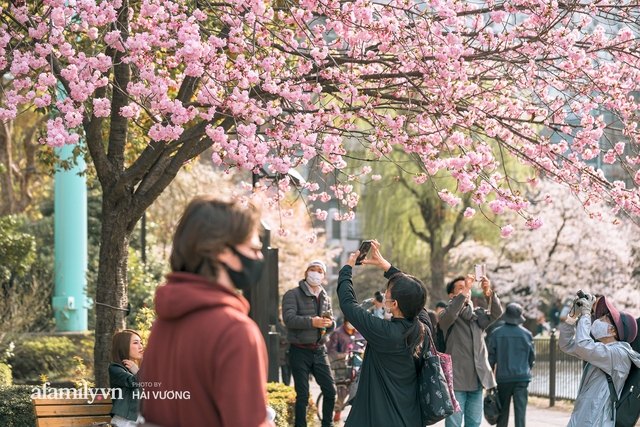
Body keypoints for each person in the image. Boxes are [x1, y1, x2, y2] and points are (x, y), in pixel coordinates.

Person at [139, 196, 273, 427]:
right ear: (221, 250)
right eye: (253, 248)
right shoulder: (235, 331)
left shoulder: (163, 324)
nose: (259, 257)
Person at [337, 239, 431, 427]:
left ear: (394, 304)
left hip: (381, 417)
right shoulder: (424, 327)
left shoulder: (384, 332)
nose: (385, 295)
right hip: (411, 416)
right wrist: (386, 266)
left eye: (388, 293)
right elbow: (414, 292)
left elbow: (348, 304)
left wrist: (347, 269)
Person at [560, 294, 640, 427]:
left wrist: (585, 315)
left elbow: (582, 345)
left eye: (603, 319)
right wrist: (572, 317)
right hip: (584, 416)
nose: (597, 321)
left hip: (596, 420)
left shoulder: (619, 354)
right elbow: (566, 344)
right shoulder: (603, 350)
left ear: (613, 330)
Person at [438, 274, 503, 427]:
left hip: (477, 379)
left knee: (474, 423)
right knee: (454, 423)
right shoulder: (445, 316)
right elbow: (450, 314)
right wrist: (465, 289)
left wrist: (488, 292)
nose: (466, 290)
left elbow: (496, 313)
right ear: (452, 295)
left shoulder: (477, 316)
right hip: (457, 380)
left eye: (468, 288)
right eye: (461, 288)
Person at [282, 260, 336, 427]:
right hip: (299, 350)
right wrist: (312, 322)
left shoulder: (325, 296)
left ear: (324, 276)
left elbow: (331, 322)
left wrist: (330, 324)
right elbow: (288, 319)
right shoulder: (292, 294)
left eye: (319, 271)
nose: (315, 273)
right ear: (306, 273)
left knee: (330, 391)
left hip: (320, 350)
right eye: (312, 270)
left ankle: (327, 424)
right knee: (303, 394)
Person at [488, 303, 536, 427]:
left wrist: (490, 379)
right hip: (522, 378)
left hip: (503, 378)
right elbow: (532, 358)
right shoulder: (527, 334)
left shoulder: (496, 333)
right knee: (520, 413)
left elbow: (491, 358)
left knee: (502, 413)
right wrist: (526, 368)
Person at [327, 316, 365, 422]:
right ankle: (337, 414)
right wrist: (344, 356)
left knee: (359, 392)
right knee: (342, 393)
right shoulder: (337, 333)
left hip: (358, 367)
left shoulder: (359, 333)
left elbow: (366, 346)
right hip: (343, 367)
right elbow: (331, 351)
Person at [109, 329, 144, 427]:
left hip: (141, 419)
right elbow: (132, 382)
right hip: (126, 421)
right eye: (135, 343)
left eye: (141, 342)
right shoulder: (115, 368)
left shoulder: (138, 370)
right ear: (123, 346)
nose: (140, 346)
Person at [277, 307, 291, 386]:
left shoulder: (289, 326)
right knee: (284, 371)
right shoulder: (277, 326)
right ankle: (286, 386)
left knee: (289, 372)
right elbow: (279, 338)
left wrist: (285, 340)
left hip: (290, 351)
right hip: (282, 353)